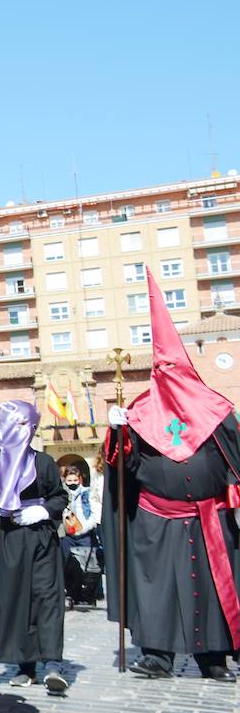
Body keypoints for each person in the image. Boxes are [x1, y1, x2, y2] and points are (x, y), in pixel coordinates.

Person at [108, 271, 240, 683]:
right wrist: (117, 432)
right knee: (157, 589)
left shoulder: (216, 410)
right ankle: (158, 657)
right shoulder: (140, 410)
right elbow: (121, 467)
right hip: (156, 518)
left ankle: (212, 658)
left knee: (217, 591)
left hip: (209, 517)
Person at [0, 400, 70, 695]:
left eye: (29, 424)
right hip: (9, 539)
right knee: (17, 600)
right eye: (19, 424)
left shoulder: (44, 462)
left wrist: (45, 510)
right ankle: (25, 665)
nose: (26, 430)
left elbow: (60, 497)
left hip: (41, 538)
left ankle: (52, 663)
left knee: (47, 598)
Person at [59, 461, 101, 607]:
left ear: (80, 480)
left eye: (75, 480)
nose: (72, 483)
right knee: (68, 564)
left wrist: (84, 528)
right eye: (69, 480)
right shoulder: (62, 494)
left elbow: (94, 514)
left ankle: (88, 594)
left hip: (85, 533)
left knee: (89, 565)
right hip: (68, 534)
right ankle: (71, 593)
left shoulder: (87, 493)